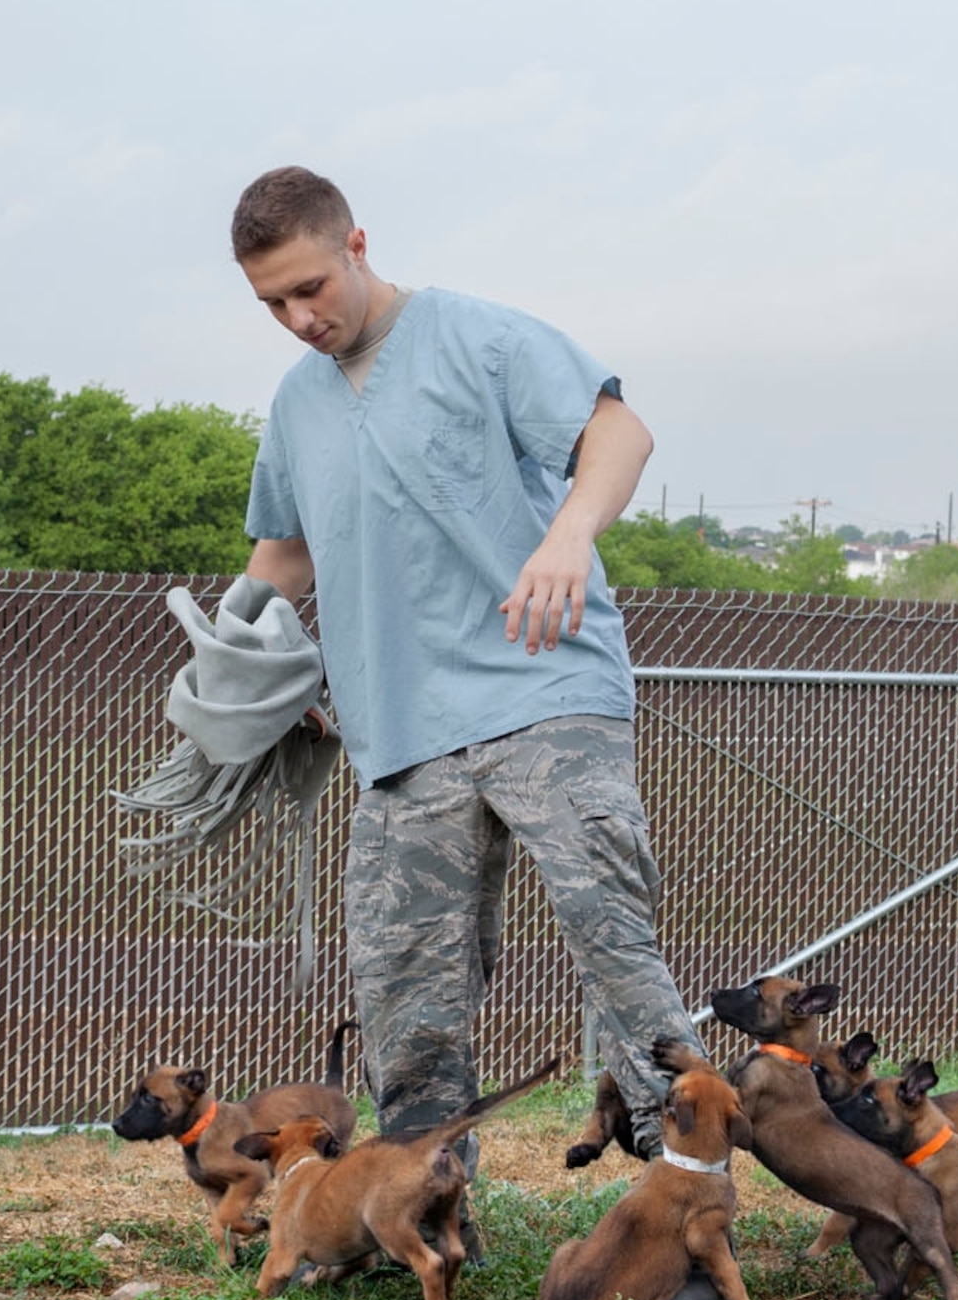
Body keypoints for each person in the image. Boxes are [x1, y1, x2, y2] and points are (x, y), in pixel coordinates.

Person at [231, 165, 703, 1229]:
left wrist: (567, 535)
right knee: (404, 992)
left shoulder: (477, 339)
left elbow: (618, 434)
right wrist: (235, 659)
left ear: (356, 243)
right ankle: (429, 1224)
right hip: (399, 732)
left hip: (545, 686)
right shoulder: (299, 402)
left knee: (612, 942)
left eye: (310, 286)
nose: (300, 318)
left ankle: (682, 1216)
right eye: (273, 304)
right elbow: (283, 553)